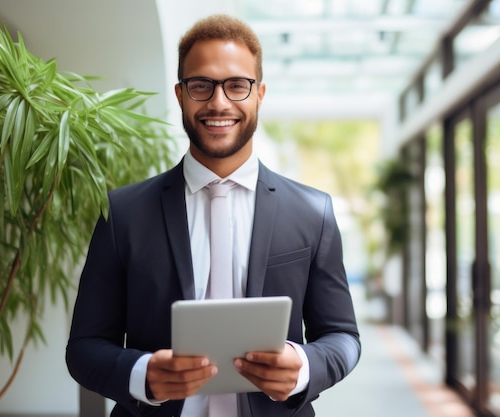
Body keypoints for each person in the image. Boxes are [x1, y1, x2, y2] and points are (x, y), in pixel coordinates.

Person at [66, 14, 360, 417]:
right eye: (201, 85)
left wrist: (304, 367)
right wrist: (142, 374)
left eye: (237, 85)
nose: (218, 102)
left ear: (260, 94)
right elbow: (83, 348)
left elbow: (342, 336)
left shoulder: (313, 212)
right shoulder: (123, 213)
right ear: (181, 94)